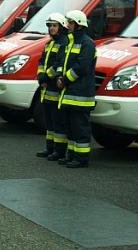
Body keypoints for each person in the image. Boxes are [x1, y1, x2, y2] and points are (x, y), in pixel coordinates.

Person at [56, 10, 96, 168]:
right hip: (70, 92)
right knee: (71, 127)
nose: (68, 25)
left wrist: (65, 80)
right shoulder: (70, 42)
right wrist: (61, 77)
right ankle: (71, 155)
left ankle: (81, 159)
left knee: (80, 128)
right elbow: (64, 63)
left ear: (79, 25)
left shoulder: (87, 43)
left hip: (81, 94)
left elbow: (81, 67)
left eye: (71, 23)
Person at [36, 12, 69, 160]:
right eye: (49, 26)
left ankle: (59, 151)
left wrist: (46, 76)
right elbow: (42, 61)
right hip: (46, 88)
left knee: (58, 122)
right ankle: (49, 148)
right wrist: (39, 76)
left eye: (54, 26)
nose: (51, 28)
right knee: (49, 121)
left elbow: (59, 65)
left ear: (61, 27)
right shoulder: (49, 43)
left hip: (55, 89)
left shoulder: (64, 43)